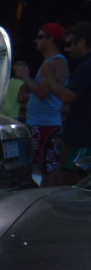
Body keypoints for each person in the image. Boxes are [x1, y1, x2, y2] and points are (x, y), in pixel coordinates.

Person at [13, 22, 69, 184]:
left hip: (45, 124)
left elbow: (42, 92)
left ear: (51, 40)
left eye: (40, 37)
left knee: (46, 167)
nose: (35, 41)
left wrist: (25, 76)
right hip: (38, 122)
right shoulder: (49, 62)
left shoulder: (56, 62)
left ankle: (44, 201)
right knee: (37, 165)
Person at [48, 22, 91, 184]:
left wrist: (50, 77)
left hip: (80, 136)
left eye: (69, 44)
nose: (66, 49)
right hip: (81, 133)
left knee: (70, 179)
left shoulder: (87, 65)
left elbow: (68, 96)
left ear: (82, 42)